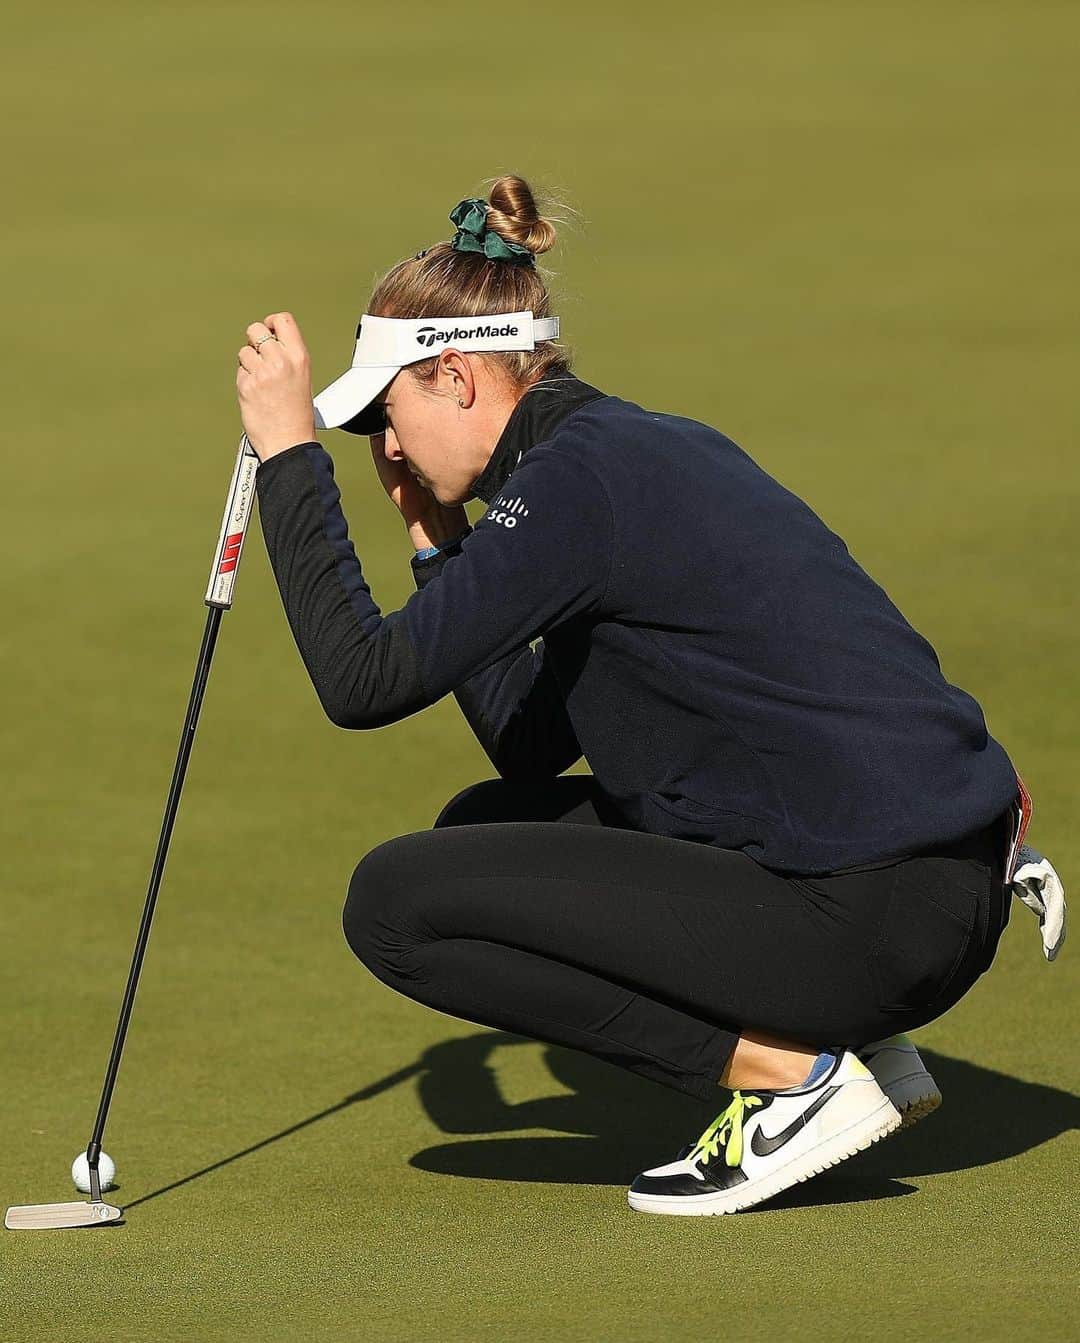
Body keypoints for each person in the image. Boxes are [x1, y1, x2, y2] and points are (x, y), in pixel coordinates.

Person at [235, 174, 1029, 1217]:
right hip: (918, 884)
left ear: (457, 377)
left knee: (395, 905)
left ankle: (795, 1078)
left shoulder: (575, 485)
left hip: (874, 907)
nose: (387, 446)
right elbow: (528, 743)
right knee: (484, 828)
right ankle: (859, 1041)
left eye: (388, 412)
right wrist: (438, 542)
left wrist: (291, 455)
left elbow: (361, 681)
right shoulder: (615, 453)